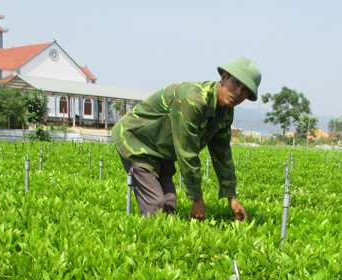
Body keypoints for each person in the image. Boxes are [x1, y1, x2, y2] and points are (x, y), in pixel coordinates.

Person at [112, 57, 261, 222]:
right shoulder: (193, 100)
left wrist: (231, 198)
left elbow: (222, 154)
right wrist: (197, 199)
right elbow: (186, 151)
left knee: (168, 204)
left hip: (160, 150)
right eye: (236, 83)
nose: (238, 92)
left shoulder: (225, 113)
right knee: (156, 206)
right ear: (224, 78)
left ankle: (165, 241)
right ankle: (147, 242)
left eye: (245, 89)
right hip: (135, 141)